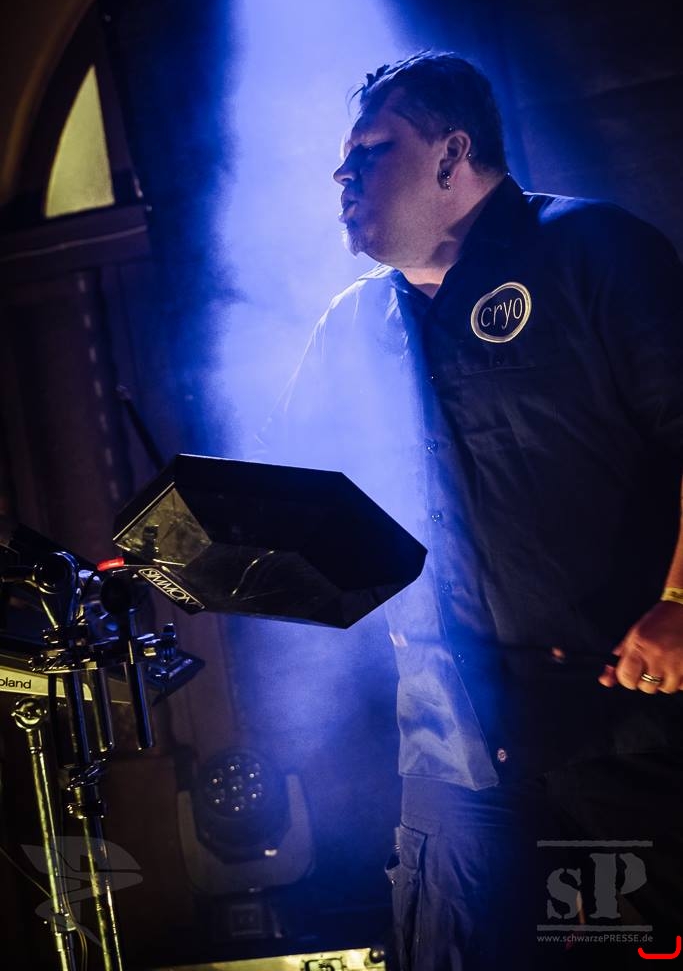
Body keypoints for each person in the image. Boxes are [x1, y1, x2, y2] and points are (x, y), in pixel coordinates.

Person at [254, 51, 683, 970]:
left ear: (451, 153)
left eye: (368, 151)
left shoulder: (592, 251)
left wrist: (681, 600)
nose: (340, 177)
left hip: (620, 721)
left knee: (623, 941)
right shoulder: (352, 325)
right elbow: (295, 502)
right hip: (449, 741)